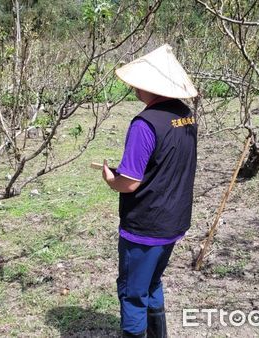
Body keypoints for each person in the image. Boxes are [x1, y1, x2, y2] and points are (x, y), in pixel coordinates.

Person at [101, 44, 198, 338]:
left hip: (146, 225)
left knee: (132, 292)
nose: (134, 89)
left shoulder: (144, 124)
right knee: (153, 282)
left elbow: (129, 182)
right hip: (174, 220)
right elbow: (165, 163)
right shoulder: (186, 115)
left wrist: (109, 178)